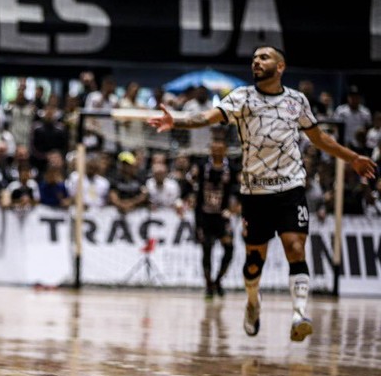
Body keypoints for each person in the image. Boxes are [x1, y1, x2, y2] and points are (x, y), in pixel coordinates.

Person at [149, 46, 376, 341]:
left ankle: (299, 314)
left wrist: (353, 158)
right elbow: (206, 117)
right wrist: (176, 121)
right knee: (255, 261)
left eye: (264, 57)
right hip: (255, 192)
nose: (256, 61)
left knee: (296, 248)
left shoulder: (297, 101)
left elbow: (319, 138)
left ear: (280, 67)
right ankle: (253, 301)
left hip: (290, 188)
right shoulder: (242, 97)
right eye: (254, 58)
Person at [192, 133, 238, 298]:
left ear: (225, 150)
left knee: (229, 248)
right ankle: (208, 285)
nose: (217, 151)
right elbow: (191, 184)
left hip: (222, 216)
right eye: (214, 148)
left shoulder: (231, 167)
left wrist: (234, 208)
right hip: (204, 215)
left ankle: (218, 280)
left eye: (220, 148)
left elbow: (238, 189)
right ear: (210, 149)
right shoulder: (202, 165)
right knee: (207, 249)